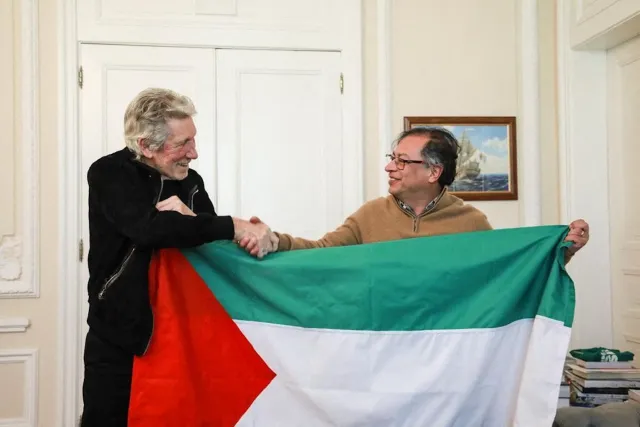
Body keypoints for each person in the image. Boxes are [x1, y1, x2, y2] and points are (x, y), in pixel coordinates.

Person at [80, 88, 276, 426]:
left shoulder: (191, 182)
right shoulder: (108, 174)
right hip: (121, 336)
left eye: (193, 140)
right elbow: (148, 229)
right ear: (145, 146)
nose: (194, 153)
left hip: (182, 334)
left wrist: (249, 236)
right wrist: (234, 225)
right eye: (182, 144)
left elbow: (207, 243)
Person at [240, 126, 589, 261]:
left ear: (434, 172)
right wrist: (275, 240)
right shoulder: (370, 214)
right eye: (392, 159)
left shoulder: (471, 222)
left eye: (402, 161)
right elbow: (321, 252)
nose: (390, 167)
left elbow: (506, 272)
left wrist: (563, 250)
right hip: (386, 339)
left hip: (442, 347)